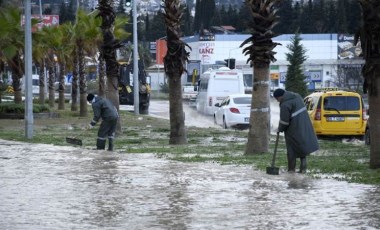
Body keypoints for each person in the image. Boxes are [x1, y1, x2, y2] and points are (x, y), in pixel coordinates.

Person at [273, 88, 319, 173]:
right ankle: (303, 170)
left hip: (293, 130)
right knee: (303, 149)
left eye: (277, 99)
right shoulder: (297, 97)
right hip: (305, 126)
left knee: (291, 151)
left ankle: (291, 171)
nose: (277, 101)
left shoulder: (285, 104)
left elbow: (284, 121)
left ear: (280, 97)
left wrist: (280, 129)